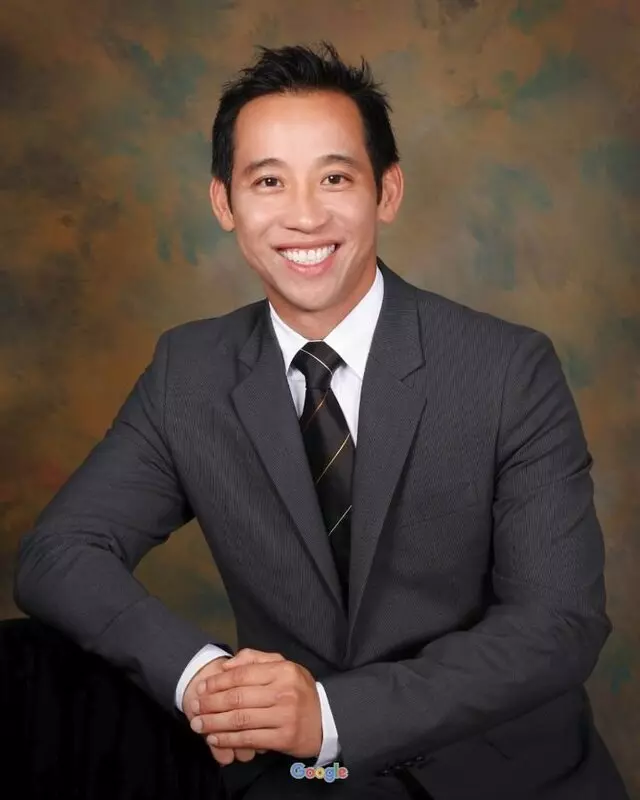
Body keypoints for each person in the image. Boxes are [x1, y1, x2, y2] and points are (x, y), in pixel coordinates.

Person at [7, 41, 630, 800]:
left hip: (504, 779)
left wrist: (332, 715)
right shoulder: (188, 372)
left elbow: (559, 621)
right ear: (224, 203)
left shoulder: (508, 369)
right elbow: (60, 553)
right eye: (268, 181)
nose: (304, 216)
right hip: (300, 782)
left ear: (387, 191)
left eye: (335, 177)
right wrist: (207, 681)